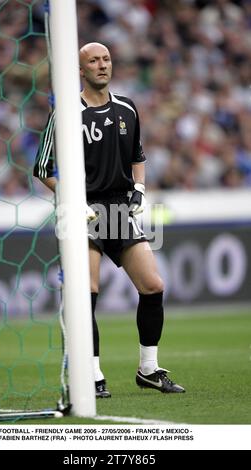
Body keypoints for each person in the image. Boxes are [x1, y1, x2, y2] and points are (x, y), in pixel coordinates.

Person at [33, 42, 185, 398]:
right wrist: (72, 198)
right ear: (80, 71)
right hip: (83, 209)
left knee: (153, 285)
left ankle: (148, 369)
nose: (102, 66)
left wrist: (140, 188)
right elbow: (42, 168)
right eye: (93, 61)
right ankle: (92, 375)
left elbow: (137, 156)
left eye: (106, 59)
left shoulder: (127, 108)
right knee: (87, 291)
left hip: (118, 208)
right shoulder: (67, 113)